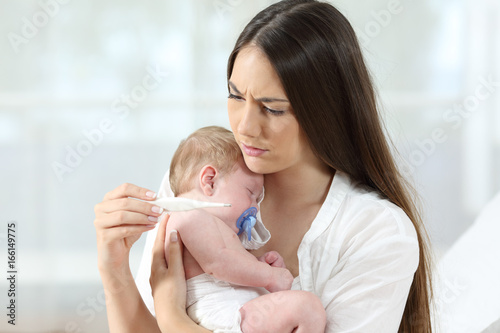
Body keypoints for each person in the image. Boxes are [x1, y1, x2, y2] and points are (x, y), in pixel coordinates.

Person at [94, 0, 433, 332]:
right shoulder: (203, 183)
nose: (245, 127)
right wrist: (114, 273)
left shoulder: (376, 233)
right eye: (236, 97)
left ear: (327, 112)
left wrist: (173, 318)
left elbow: (165, 322)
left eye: (272, 108)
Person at [161, 125, 326, 332]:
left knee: (305, 310)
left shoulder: (212, 224)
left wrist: (258, 264)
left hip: (236, 309)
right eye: (251, 193)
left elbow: (227, 264)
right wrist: (269, 276)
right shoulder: (188, 215)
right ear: (210, 182)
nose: (256, 208)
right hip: (224, 312)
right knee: (306, 307)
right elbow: (218, 263)